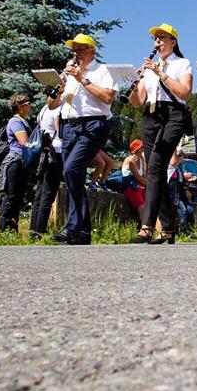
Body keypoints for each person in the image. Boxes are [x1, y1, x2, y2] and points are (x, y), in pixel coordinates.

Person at [46, 34, 118, 245]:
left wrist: (82, 79)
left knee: (72, 169)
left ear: (91, 51)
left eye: (80, 49)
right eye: (74, 50)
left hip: (93, 124)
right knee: (72, 176)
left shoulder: (102, 70)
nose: (75, 54)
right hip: (69, 126)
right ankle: (81, 231)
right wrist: (55, 89)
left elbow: (107, 98)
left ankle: (73, 226)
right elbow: (52, 105)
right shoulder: (69, 73)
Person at [127, 23, 193, 244]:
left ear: (173, 42)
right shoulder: (148, 68)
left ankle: (147, 226)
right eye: (155, 38)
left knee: (155, 166)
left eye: (162, 38)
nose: (158, 42)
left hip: (173, 115)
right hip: (151, 116)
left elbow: (185, 93)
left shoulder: (182, 63)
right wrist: (134, 83)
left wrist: (160, 73)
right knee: (156, 170)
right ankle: (168, 228)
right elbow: (138, 102)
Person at [0, 94, 33, 232]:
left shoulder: (22, 121)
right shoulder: (16, 122)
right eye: (28, 104)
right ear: (20, 107)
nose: (30, 107)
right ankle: (4, 227)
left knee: (17, 196)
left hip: (21, 162)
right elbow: (24, 142)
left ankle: (12, 228)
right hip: (15, 161)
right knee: (11, 195)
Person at [29, 95, 63, 238]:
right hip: (55, 153)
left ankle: (33, 229)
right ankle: (40, 229)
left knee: (40, 192)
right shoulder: (57, 109)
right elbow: (59, 131)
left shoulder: (44, 109)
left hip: (43, 152)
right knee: (48, 194)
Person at [120, 140, 147, 217]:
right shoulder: (130, 161)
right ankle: (143, 223)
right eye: (142, 147)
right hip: (131, 187)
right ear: (137, 149)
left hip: (140, 186)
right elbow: (138, 178)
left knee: (149, 206)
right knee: (142, 207)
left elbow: (144, 176)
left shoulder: (142, 160)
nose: (144, 148)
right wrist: (152, 183)